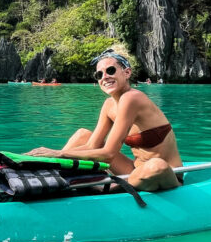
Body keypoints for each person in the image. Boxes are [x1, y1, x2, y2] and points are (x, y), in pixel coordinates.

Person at [27, 50, 182, 192]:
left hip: (165, 174)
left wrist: (58, 154)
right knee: (83, 135)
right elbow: (91, 145)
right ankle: (48, 177)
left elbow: (108, 154)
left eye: (110, 70)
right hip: (133, 170)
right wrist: (47, 157)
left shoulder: (132, 98)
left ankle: (103, 188)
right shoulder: (109, 105)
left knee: (157, 165)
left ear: (127, 72)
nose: (105, 77)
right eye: (99, 75)